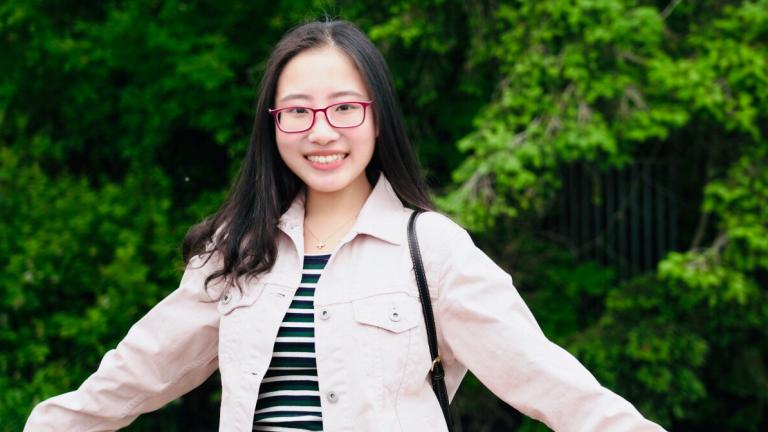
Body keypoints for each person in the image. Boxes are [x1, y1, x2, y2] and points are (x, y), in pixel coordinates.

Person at [24, 19, 665, 432]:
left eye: (344, 108)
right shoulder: (237, 251)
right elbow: (131, 376)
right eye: (297, 112)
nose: (322, 131)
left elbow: (550, 382)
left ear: (378, 117)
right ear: (272, 126)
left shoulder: (432, 249)